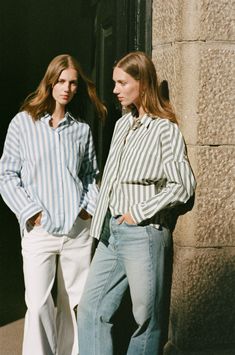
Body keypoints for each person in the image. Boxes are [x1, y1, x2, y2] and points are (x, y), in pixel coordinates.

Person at [77, 51, 196, 355]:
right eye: (115, 82)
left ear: (142, 84)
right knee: (91, 309)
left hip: (143, 232)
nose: (115, 89)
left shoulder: (164, 130)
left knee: (147, 319)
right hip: (111, 231)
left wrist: (137, 213)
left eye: (122, 82)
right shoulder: (121, 125)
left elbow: (183, 186)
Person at [0, 54, 106, 355]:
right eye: (61, 81)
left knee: (76, 304)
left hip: (76, 229)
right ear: (50, 81)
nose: (67, 88)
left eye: (73, 83)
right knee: (37, 305)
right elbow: (6, 174)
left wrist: (87, 209)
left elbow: (91, 176)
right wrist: (31, 213)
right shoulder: (23, 124)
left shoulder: (81, 130)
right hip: (40, 231)